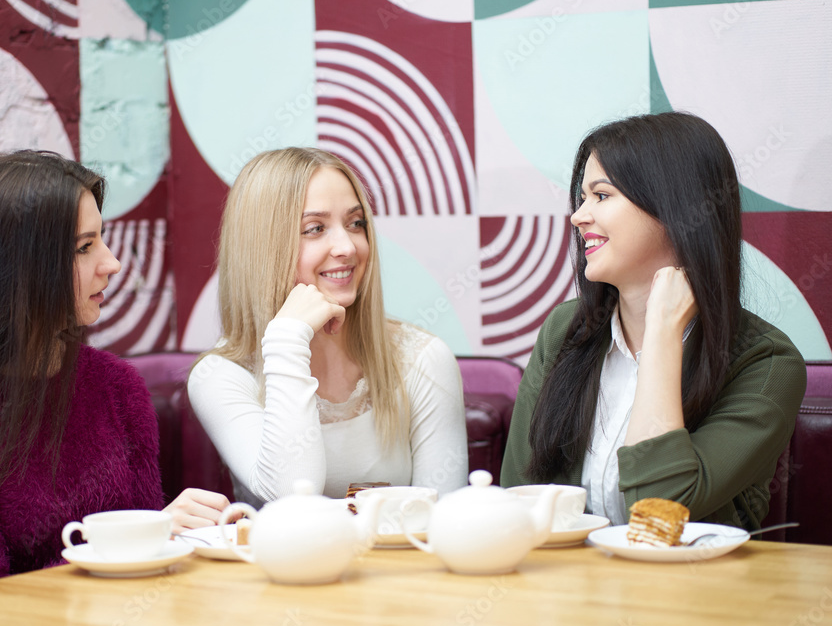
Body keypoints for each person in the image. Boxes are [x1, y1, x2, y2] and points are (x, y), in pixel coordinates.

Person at [0, 151, 230, 601]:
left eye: (102, 240)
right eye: (84, 247)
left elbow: (145, 573)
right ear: (12, 269)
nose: (111, 264)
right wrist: (135, 537)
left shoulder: (118, 387)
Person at [500, 112, 806, 531]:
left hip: (695, 593)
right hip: (566, 589)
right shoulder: (563, 330)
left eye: (602, 196)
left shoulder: (766, 362)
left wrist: (662, 334)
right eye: (582, 197)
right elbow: (519, 495)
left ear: (673, 209)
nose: (579, 216)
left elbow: (657, 515)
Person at [187, 147, 468, 505]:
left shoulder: (422, 358)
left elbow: (445, 518)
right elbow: (291, 497)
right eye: (315, 229)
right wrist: (288, 340)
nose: (347, 246)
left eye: (355, 223)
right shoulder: (219, 375)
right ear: (262, 248)